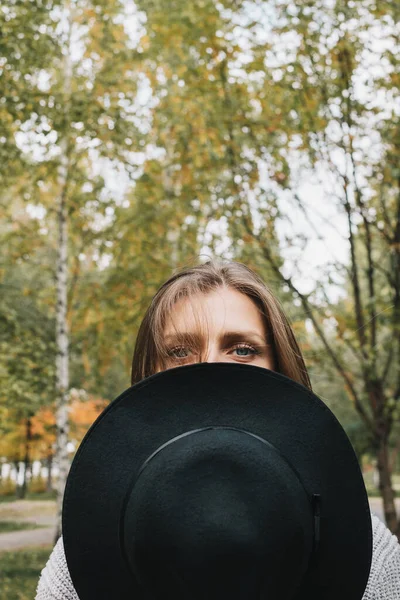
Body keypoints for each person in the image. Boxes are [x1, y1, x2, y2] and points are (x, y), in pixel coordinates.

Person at [36, 259, 400, 599]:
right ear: (151, 373)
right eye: (179, 351)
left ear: (280, 368)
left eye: (242, 349)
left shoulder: (367, 550)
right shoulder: (84, 552)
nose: (210, 366)